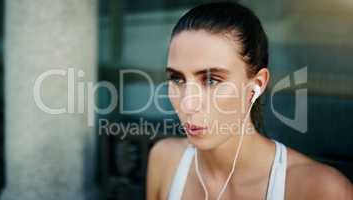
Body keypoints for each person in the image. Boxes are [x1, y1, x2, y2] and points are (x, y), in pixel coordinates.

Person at [146, 2, 352, 200]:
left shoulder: (321, 190)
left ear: (257, 84)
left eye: (211, 80)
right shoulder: (166, 160)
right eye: (177, 79)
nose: (187, 104)